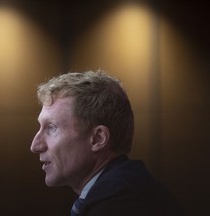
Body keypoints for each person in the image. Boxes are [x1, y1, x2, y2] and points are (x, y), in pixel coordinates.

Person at [30, 70, 183, 216]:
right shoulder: (121, 190)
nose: (35, 146)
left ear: (98, 139)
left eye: (51, 128)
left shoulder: (119, 201)